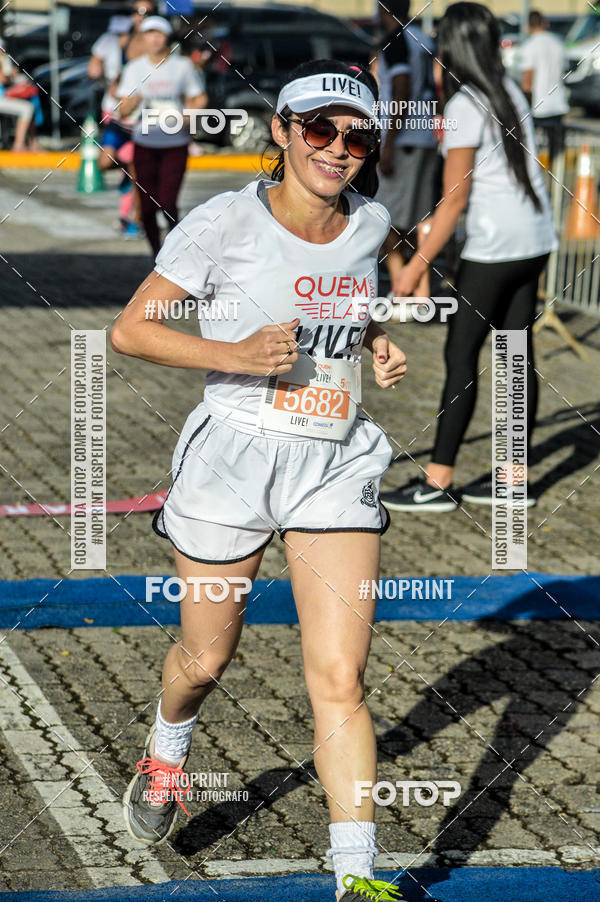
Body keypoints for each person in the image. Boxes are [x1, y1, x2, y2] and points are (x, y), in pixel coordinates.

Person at [112, 58, 408, 902]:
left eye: (357, 137)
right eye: (319, 129)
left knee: (341, 678)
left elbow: (346, 298)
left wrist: (372, 335)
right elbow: (131, 332)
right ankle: (168, 751)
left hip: (334, 458)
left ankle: (356, 877)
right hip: (232, 458)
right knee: (205, 660)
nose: (338, 149)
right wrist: (229, 354)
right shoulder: (219, 226)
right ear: (280, 133)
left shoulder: (371, 220)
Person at [380, 2, 558, 512]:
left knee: (461, 356)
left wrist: (414, 269)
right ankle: (514, 481)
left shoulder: (464, 105)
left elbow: (453, 200)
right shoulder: (510, 91)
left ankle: (436, 483)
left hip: (495, 248)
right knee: (515, 356)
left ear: (452, 48)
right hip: (534, 240)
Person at [116, 15, 207, 256]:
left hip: (175, 143)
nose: (154, 39)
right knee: (146, 208)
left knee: (167, 203)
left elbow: (199, 97)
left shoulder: (182, 66)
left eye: (158, 33)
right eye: (149, 33)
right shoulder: (134, 69)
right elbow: (123, 108)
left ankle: (174, 250)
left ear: (166, 36)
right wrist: (131, 102)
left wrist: (188, 115)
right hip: (144, 143)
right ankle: (157, 256)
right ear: (143, 38)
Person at [374, 0, 439, 299]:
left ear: (384, 10)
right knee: (419, 220)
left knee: (384, 218)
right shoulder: (423, 38)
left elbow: (402, 87)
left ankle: (403, 290)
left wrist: (388, 143)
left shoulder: (396, 39)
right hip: (425, 137)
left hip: (404, 140)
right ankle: (421, 293)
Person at [519, 10, 569, 168]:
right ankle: (556, 185)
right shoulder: (558, 43)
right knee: (557, 153)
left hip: (538, 107)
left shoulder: (530, 46)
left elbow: (527, 81)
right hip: (558, 104)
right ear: (543, 23)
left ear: (528, 26)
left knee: (531, 151)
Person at [0, 39, 41, 152]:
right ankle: (19, 144)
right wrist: (10, 75)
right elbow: (3, 79)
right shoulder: (3, 60)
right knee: (27, 108)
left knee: (33, 99)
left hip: (4, 94)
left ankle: (32, 142)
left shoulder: (4, 59)